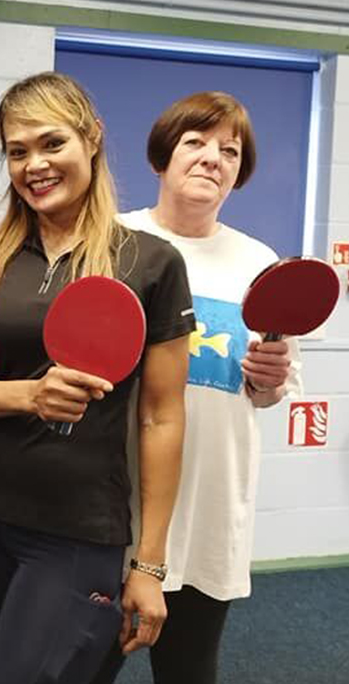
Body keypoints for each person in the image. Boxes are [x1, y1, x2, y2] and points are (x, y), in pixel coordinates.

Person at [0, 71, 196, 684]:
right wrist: (29, 395)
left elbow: (161, 417)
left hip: (80, 530)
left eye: (52, 143)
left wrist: (150, 566)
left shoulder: (151, 262)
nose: (35, 165)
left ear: (92, 138)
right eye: (18, 151)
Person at [96, 91, 299, 684]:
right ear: (162, 157)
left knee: (189, 670)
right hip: (110, 511)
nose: (213, 158)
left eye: (230, 150)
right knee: (82, 667)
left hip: (210, 515)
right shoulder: (111, 242)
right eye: (196, 142)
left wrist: (270, 379)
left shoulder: (259, 263)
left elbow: (268, 392)